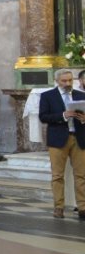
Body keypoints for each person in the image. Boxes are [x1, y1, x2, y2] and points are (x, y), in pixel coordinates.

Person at [39, 69, 85, 219]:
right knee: (57, 175)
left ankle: (83, 207)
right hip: (58, 139)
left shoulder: (81, 96)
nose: (67, 83)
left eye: (70, 80)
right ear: (57, 80)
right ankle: (59, 207)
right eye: (64, 81)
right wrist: (63, 115)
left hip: (78, 138)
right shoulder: (48, 96)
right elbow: (43, 117)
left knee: (81, 175)